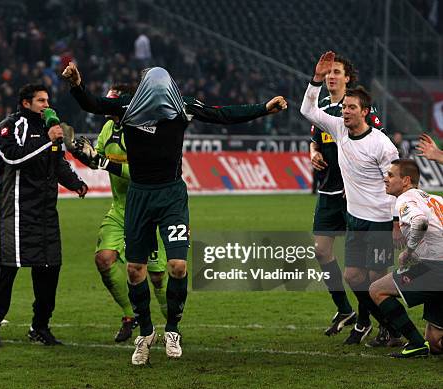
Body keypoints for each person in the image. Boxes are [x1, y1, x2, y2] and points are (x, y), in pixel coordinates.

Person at [62, 62, 287, 364]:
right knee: (134, 270)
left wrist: (263, 108)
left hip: (171, 196)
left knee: (178, 266)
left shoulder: (183, 108)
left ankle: (173, 329)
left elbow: (222, 115)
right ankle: (145, 333)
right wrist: (76, 84)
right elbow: (92, 103)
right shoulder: (127, 108)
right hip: (139, 197)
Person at [301, 51, 402, 346]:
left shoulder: (360, 110)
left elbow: (378, 147)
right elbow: (315, 135)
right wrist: (313, 152)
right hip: (328, 191)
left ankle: (371, 320)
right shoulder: (326, 112)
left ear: (347, 78)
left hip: (358, 198)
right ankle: (350, 312)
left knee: (370, 269)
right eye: (328, 72)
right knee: (327, 254)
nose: (331, 76)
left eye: (336, 72)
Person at [0, 84, 88, 347]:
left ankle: (39, 327)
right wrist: (48, 141)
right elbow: (13, 158)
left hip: (45, 213)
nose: (46, 104)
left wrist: (75, 183)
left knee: (50, 269)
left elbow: (57, 162)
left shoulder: (48, 128)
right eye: (41, 100)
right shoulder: (9, 126)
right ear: (26, 103)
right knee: (7, 269)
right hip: (15, 211)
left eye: (48, 100)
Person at [72, 85, 169, 343]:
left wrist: (102, 162)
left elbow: (138, 172)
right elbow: (98, 160)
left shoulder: (143, 129)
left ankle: (172, 326)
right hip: (120, 209)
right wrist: (80, 153)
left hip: (149, 209)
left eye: (111, 100)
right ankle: (130, 315)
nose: (106, 103)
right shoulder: (107, 129)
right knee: (104, 259)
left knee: (158, 276)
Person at [369, 159, 443, 358]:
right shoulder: (434, 199)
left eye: (391, 175)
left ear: (406, 181)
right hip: (434, 264)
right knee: (435, 341)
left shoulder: (405, 199)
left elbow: (420, 222)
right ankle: (424, 344)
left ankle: (416, 343)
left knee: (377, 290)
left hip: (434, 267)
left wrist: (408, 252)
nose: (386, 179)